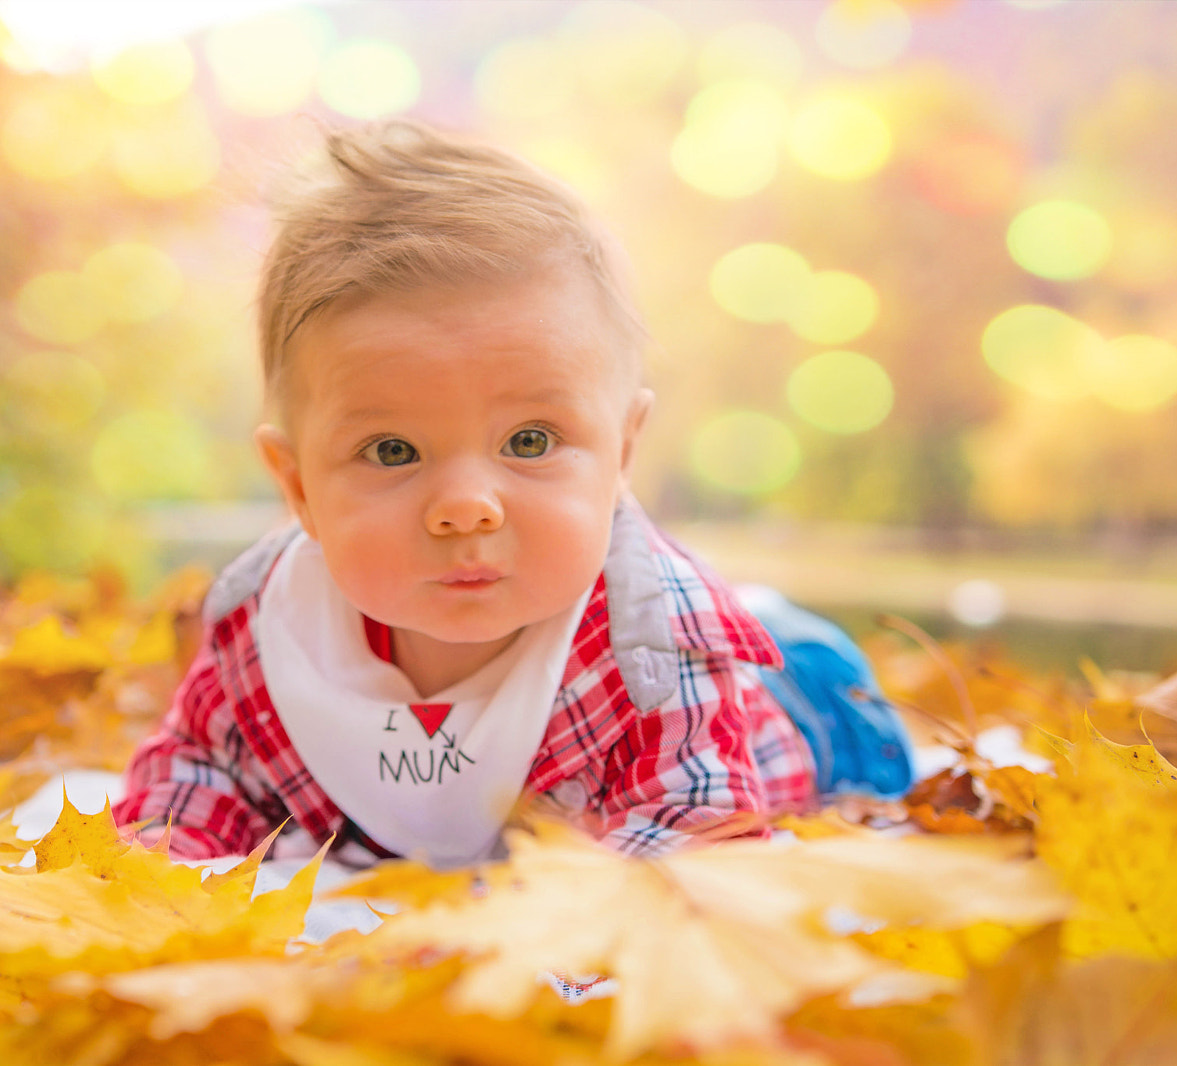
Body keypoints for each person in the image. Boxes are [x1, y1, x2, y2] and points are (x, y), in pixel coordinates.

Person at [113, 121, 911, 870]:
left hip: (810, 716)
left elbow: (690, 832)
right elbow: (196, 773)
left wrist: (520, 932)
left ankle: (781, 641)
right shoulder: (268, 630)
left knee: (817, 696)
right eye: (393, 451)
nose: (466, 507)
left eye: (529, 442)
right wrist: (165, 872)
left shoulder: (657, 650)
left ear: (621, 453)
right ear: (298, 488)